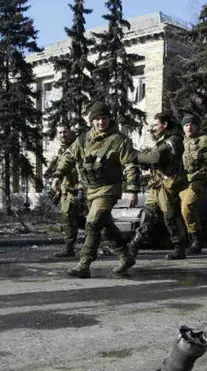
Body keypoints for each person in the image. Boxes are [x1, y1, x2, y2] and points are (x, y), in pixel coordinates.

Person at [51, 102, 140, 279]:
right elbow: (68, 156)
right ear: (92, 121)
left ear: (109, 119)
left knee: (92, 222)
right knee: (105, 226)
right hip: (90, 190)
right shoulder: (83, 139)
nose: (101, 122)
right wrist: (58, 175)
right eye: (97, 119)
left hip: (109, 189)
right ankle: (125, 256)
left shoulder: (119, 140)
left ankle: (84, 264)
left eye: (104, 118)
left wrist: (133, 190)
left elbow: (130, 165)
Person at [127, 112, 188, 260]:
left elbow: (156, 157)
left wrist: (137, 156)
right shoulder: (164, 139)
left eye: (156, 125)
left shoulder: (174, 140)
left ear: (165, 124)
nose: (153, 128)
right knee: (148, 213)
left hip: (168, 185)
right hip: (157, 184)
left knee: (170, 217)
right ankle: (134, 244)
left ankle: (179, 248)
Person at [180, 114, 207, 254]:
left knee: (187, 206)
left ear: (196, 126)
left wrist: (203, 156)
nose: (189, 127)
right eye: (186, 125)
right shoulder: (181, 142)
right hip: (183, 180)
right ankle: (184, 240)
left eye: (192, 124)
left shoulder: (204, 140)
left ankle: (196, 241)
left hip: (199, 180)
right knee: (179, 210)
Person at [45, 123, 85, 258]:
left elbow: (80, 170)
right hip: (66, 190)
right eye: (60, 133)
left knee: (80, 218)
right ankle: (70, 248)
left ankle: (101, 242)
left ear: (70, 132)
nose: (63, 135)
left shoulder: (76, 147)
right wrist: (58, 191)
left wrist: (81, 188)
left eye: (65, 132)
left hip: (78, 189)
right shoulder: (61, 150)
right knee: (68, 218)